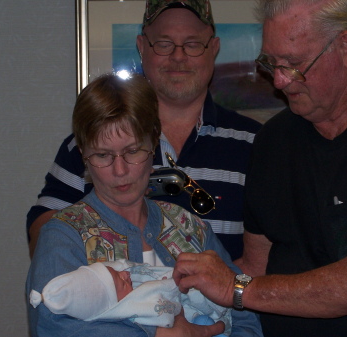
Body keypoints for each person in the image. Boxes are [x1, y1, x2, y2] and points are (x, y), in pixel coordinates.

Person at [172, 0, 347, 336]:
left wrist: (237, 290)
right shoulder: (273, 141)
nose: (280, 81)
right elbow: (255, 266)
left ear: (346, 48)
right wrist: (174, 293)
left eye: (295, 64)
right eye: (271, 63)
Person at [26, 73, 263, 337]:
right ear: (83, 154)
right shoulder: (63, 236)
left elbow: (245, 319)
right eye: (102, 155)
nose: (120, 170)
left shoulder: (192, 230)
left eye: (133, 151)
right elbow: (55, 327)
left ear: (154, 144)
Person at [26, 0, 261, 260]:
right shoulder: (92, 145)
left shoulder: (257, 144)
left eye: (193, 44)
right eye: (164, 43)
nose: (178, 56)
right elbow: (43, 231)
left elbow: (265, 259)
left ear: (213, 49)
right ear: (141, 47)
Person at [29, 260, 229, 336]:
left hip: (191, 317)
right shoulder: (130, 308)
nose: (126, 275)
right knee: (210, 326)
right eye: (121, 282)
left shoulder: (123, 282)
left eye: (117, 272)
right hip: (191, 322)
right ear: (114, 304)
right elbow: (164, 312)